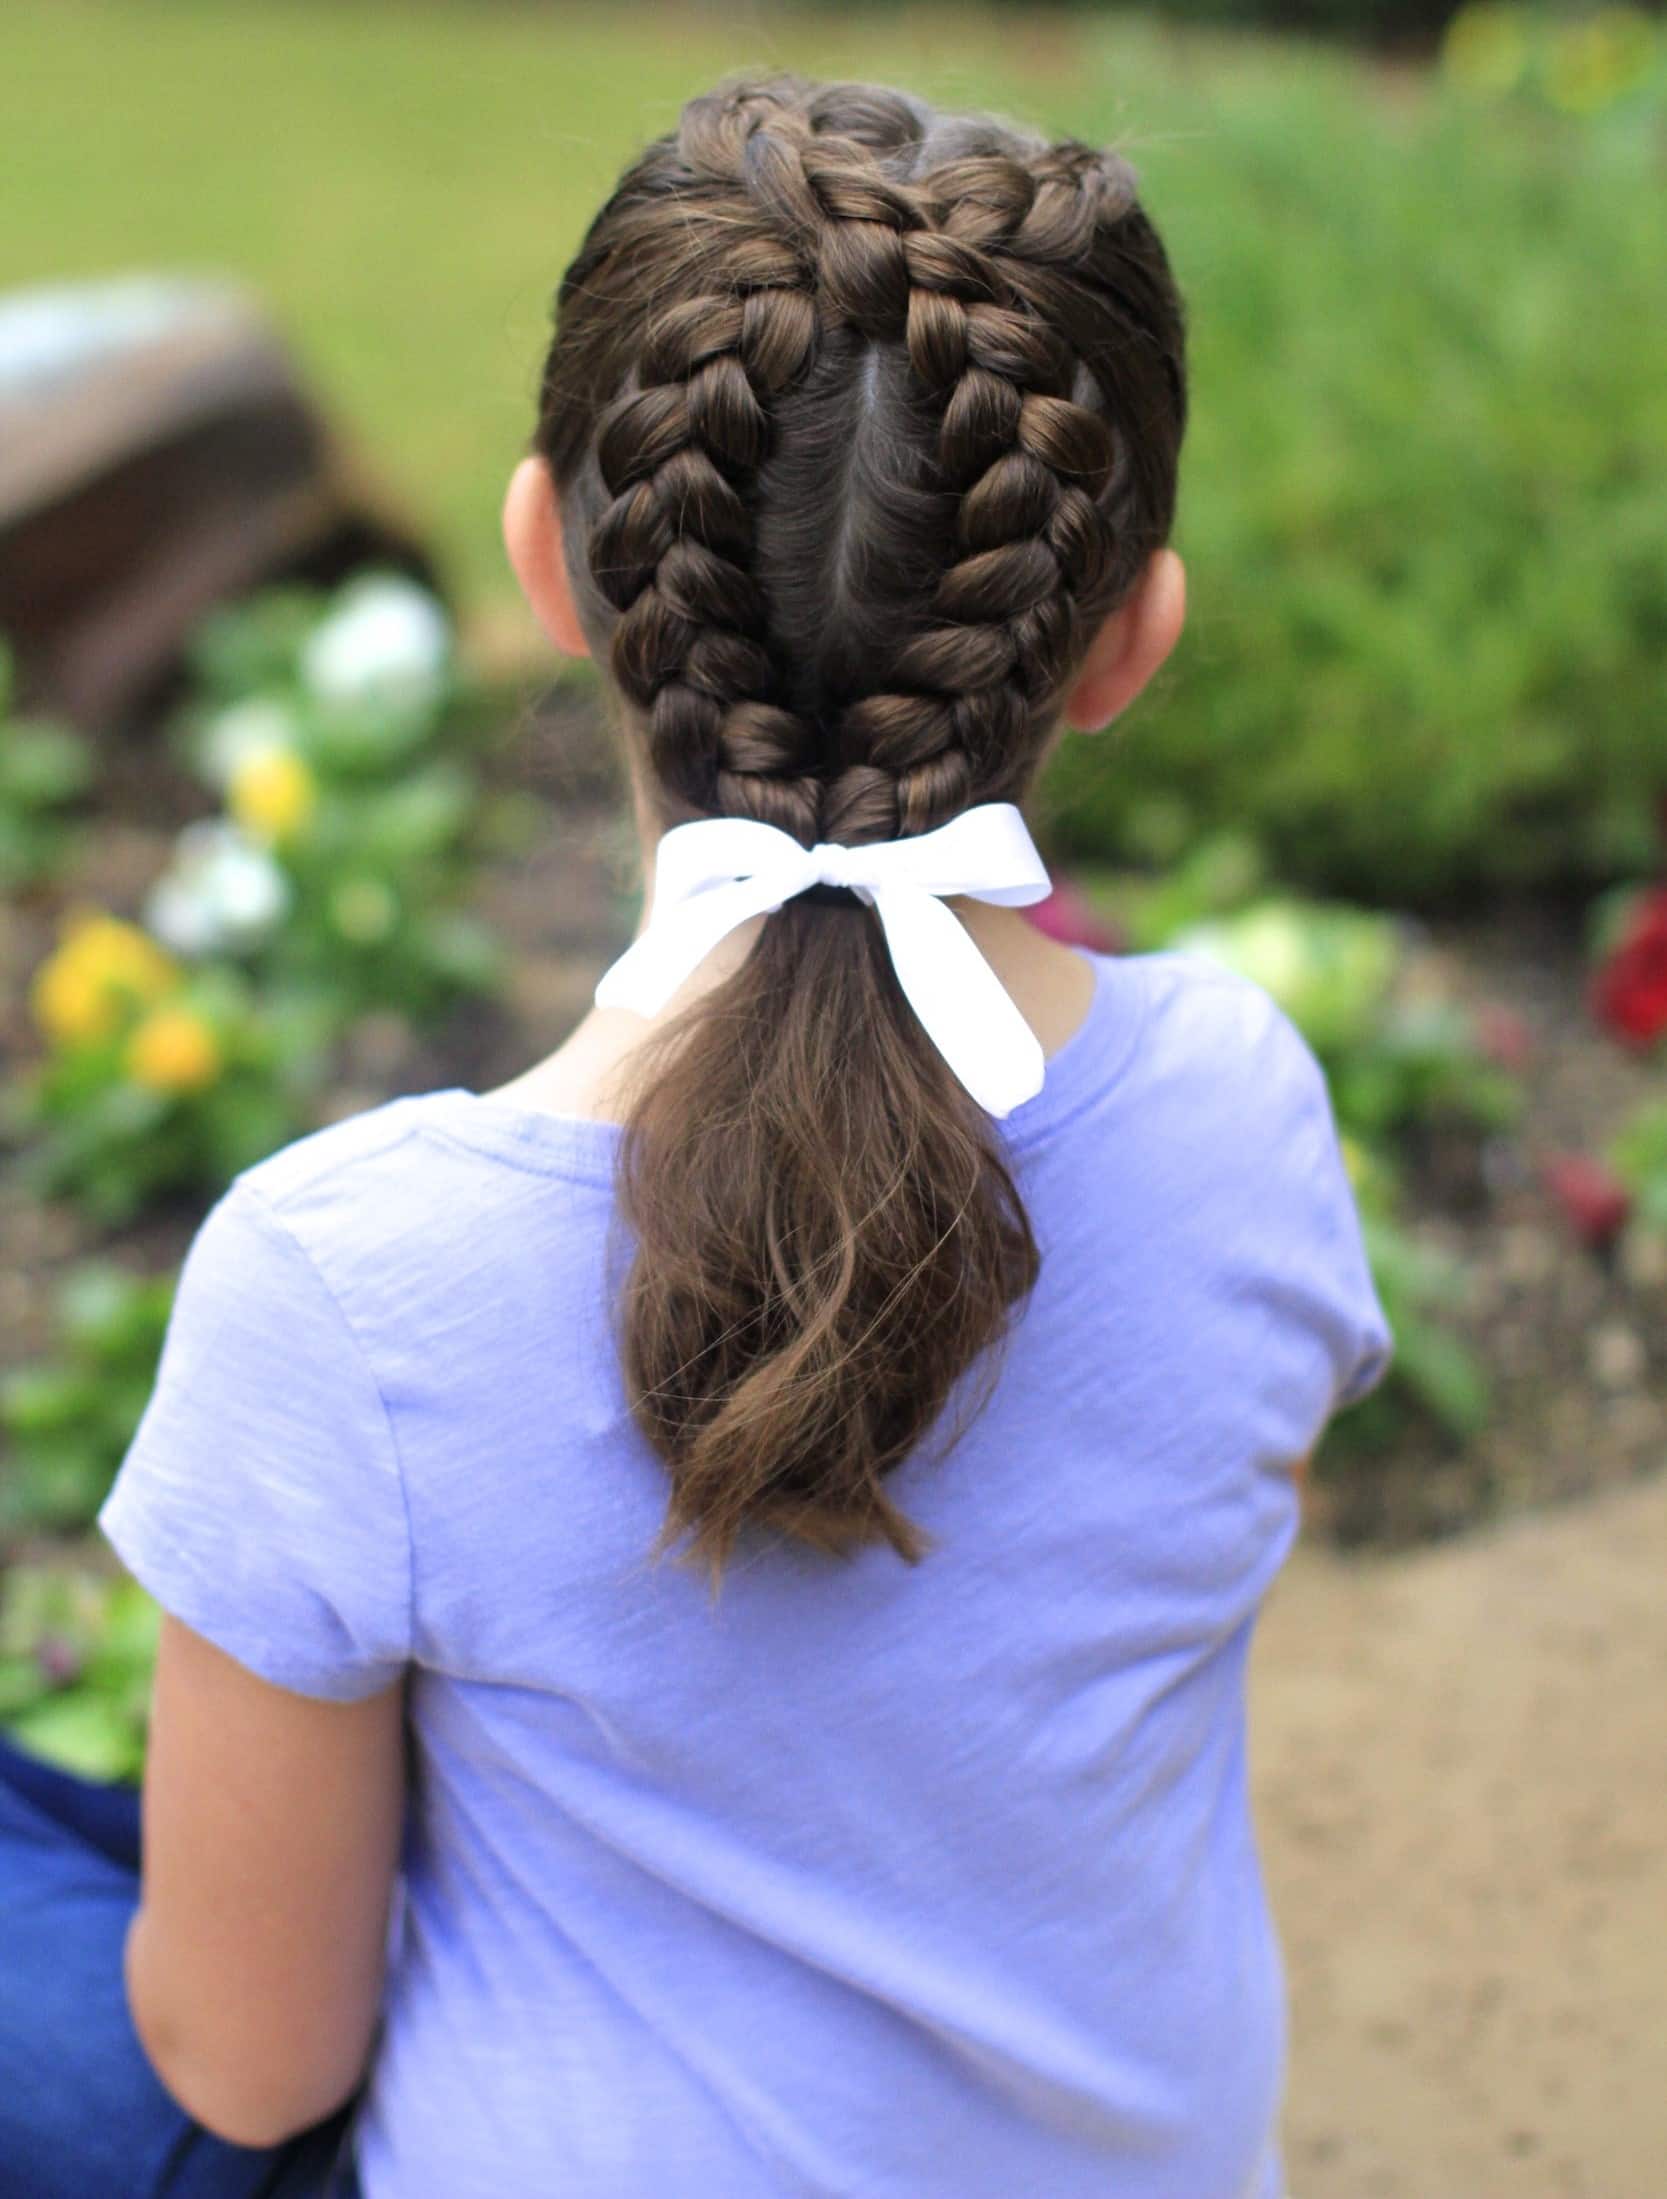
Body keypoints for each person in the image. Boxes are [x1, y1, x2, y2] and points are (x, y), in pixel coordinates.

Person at [0, 73, 1391, 2199]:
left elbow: (254, 2062)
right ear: (1129, 634)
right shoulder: (1243, 1108)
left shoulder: (350, 1280)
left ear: (546, 556)